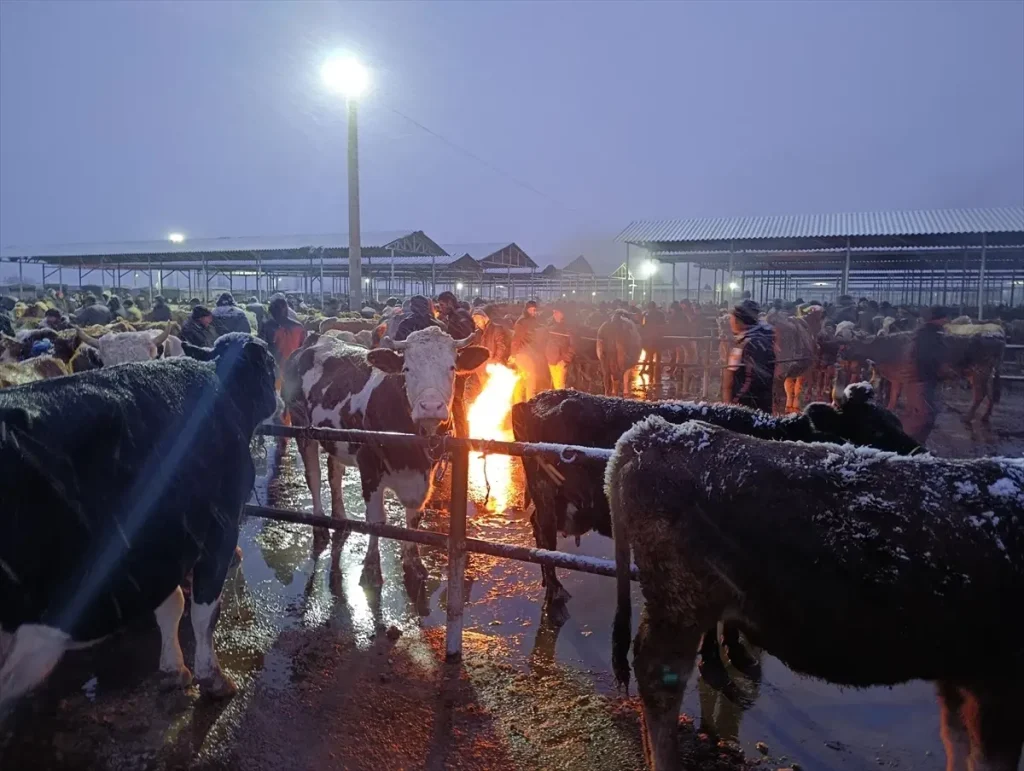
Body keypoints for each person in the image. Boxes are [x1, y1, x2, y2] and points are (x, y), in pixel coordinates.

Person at [903, 305, 948, 444]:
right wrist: (939, 370)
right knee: (923, 415)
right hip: (922, 379)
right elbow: (925, 358)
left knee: (924, 414)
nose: (947, 320)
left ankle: (913, 445)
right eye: (945, 317)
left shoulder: (926, 333)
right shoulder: (928, 335)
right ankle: (910, 446)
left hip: (923, 379)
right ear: (939, 319)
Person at [724, 303, 775, 413]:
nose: (730, 322)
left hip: (747, 406)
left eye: (732, 318)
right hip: (758, 403)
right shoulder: (760, 339)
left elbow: (747, 378)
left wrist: (734, 401)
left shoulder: (748, 344)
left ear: (739, 320)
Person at [261, 297, 306, 395]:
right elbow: (304, 349)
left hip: (275, 370)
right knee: (291, 397)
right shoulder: (298, 326)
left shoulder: (267, 326)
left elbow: (261, 349)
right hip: (294, 369)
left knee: (277, 397)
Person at [510, 300, 551, 402]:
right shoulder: (522, 322)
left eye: (535, 309)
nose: (534, 311)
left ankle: (520, 405)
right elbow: (516, 339)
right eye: (532, 309)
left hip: (530, 354)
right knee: (530, 382)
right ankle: (526, 405)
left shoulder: (533, 320)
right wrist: (513, 355)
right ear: (527, 309)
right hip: (523, 355)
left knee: (523, 381)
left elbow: (537, 332)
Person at [545, 306, 574, 390]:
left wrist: (566, 357)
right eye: (553, 312)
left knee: (560, 386)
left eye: (556, 312)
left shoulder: (567, 327)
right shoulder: (550, 326)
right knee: (556, 384)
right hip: (552, 359)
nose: (554, 314)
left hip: (561, 361)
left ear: (562, 313)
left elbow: (573, 344)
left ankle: (561, 401)